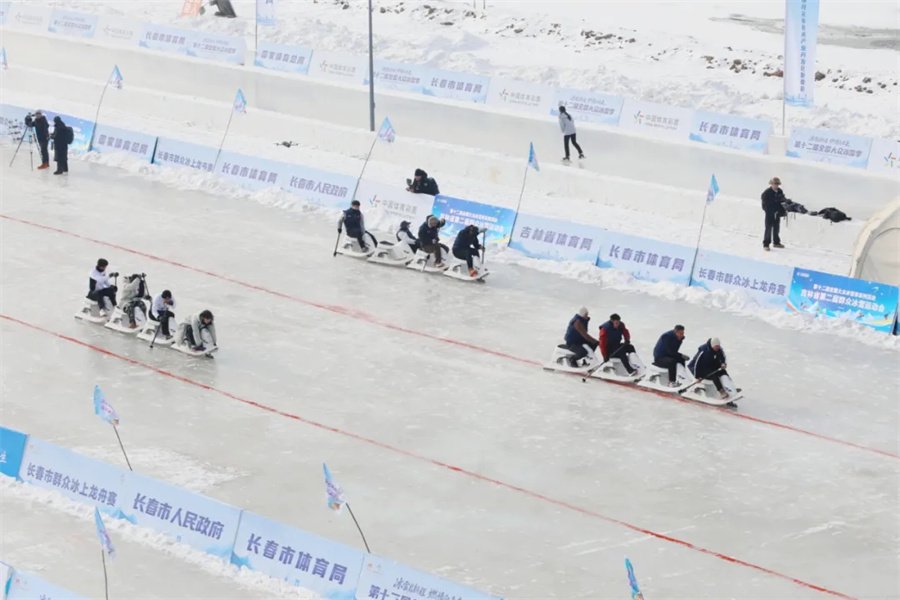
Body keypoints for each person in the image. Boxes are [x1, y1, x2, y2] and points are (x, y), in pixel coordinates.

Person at [761, 177, 787, 251]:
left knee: (776, 228)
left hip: (777, 213)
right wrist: (771, 211)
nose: (776, 185)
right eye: (775, 184)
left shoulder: (780, 191)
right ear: (771, 184)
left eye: (777, 184)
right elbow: (764, 205)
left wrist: (784, 207)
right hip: (770, 213)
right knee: (768, 228)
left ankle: (776, 243)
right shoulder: (766, 193)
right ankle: (766, 244)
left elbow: (782, 200)